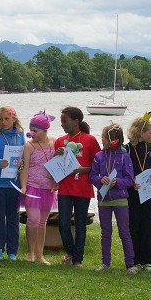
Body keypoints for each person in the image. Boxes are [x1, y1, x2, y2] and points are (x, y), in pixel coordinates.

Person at [54, 107, 100, 268]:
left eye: (64, 121)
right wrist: (56, 155)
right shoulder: (59, 141)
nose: (62, 125)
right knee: (64, 224)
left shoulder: (90, 140)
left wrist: (83, 170)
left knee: (80, 224)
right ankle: (71, 252)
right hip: (65, 188)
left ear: (76, 121)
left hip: (82, 188)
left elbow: (98, 165)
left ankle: (77, 259)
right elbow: (55, 168)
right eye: (61, 122)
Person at [90, 123, 135, 273]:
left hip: (120, 199)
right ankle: (105, 263)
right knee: (106, 232)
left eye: (103, 138)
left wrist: (117, 182)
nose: (101, 140)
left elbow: (130, 180)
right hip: (104, 199)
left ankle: (130, 264)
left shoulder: (124, 157)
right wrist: (100, 180)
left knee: (124, 231)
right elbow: (92, 176)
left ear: (112, 140)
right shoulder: (99, 156)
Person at [0, 106, 25, 261]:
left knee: (13, 217)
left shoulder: (20, 135)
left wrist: (22, 163)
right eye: (1, 119)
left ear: (14, 119)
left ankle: (12, 251)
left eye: (6, 119)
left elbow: (24, 156)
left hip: (14, 183)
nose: (3, 122)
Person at [19, 111, 58, 264]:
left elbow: (58, 164)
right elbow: (24, 168)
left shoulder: (54, 142)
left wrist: (56, 182)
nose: (31, 133)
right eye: (30, 129)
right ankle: (30, 253)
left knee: (43, 221)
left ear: (44, 131)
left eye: (35, 130)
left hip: (47, 188)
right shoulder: (28, 146)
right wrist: (23, 186)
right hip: (32, 187)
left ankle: (40, 255)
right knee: (33, 219)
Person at [127, 116, 151, 271]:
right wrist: (130, 180)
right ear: (141, 132)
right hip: (133, 192)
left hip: (148, 192)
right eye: (150, 132)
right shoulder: (127, 149)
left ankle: (147, 260)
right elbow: (123, 170)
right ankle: (133, 259)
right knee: (134, 226)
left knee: (147, 225)